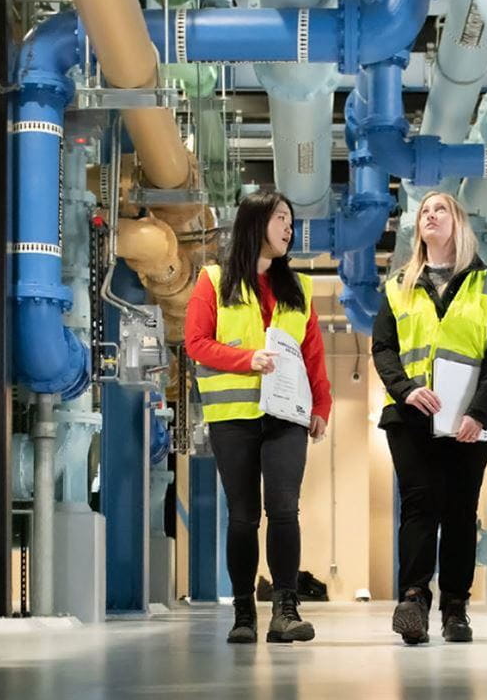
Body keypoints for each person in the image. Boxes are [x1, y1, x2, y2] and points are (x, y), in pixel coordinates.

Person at [185, 191, 331, 645]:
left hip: (287, 415)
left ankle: (285, 610)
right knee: (244, 515)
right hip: (234, 416)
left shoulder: (299, 288)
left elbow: (313, 355)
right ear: (254, 223)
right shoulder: (213, 281)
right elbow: (196, 343)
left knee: (285, 509)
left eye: (290, 220)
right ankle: (244, 612)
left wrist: (322, 406)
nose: (289, 228)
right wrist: (248, 359)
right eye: (281, 219)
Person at [372, 191, 487, 645]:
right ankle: (413, 598)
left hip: (470, 421)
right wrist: (406, 390)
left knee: (458, 510)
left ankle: (455, 607)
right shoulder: (398, 286)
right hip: (411, 415)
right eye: (424, 211)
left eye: (441, 210)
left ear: (458, 224)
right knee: (417, 505)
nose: (431, 216)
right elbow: (383, 348)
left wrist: (478, 414)